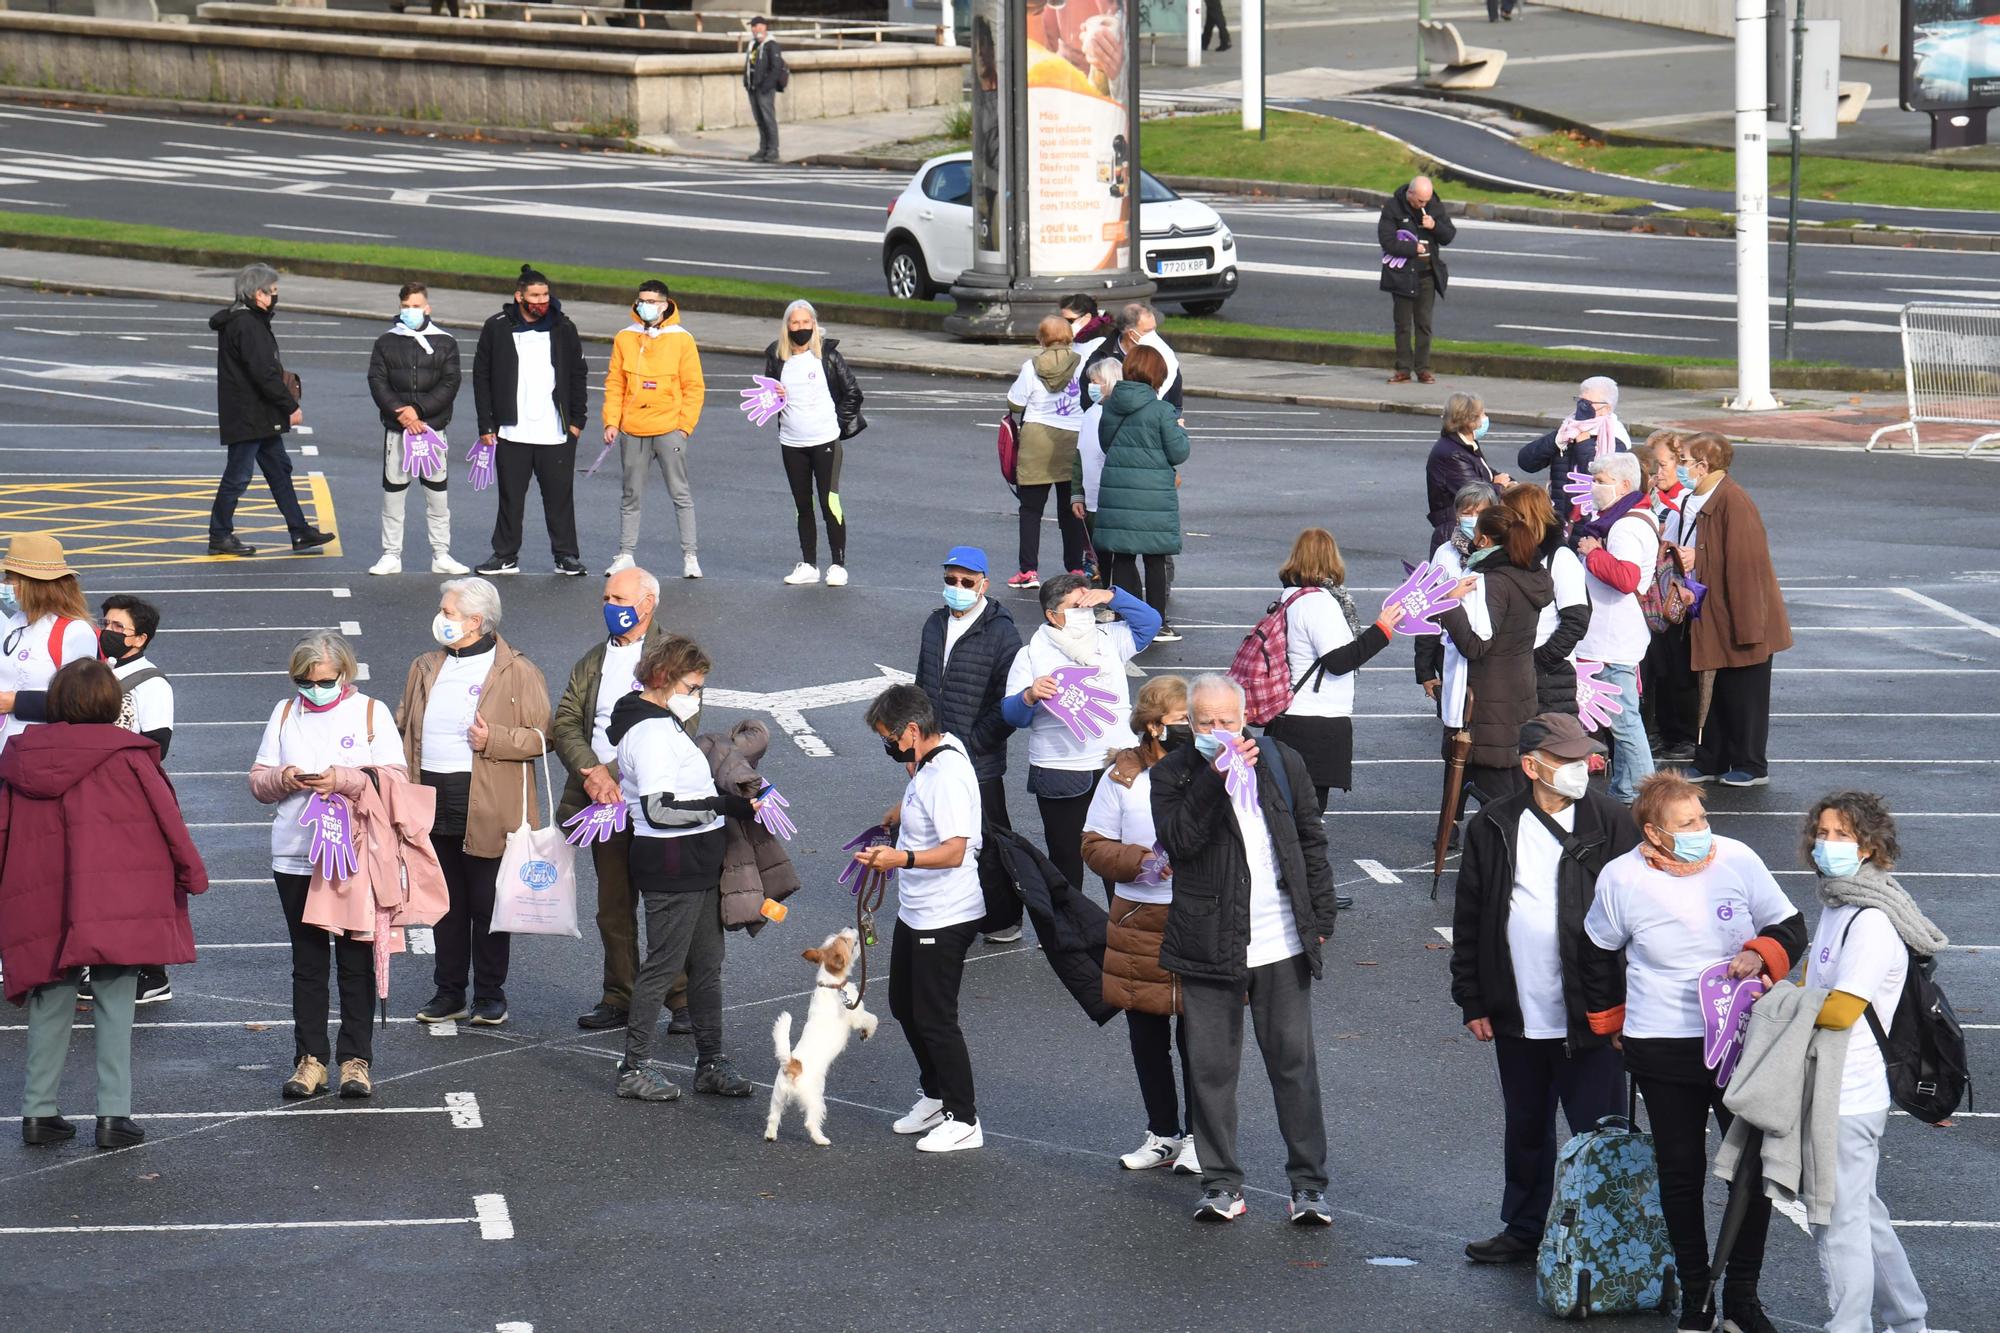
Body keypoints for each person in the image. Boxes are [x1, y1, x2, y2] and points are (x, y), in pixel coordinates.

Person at [1580, 772, 1807, 1333]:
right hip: (1663, 1043)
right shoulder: (1621, 878)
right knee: (1680, 1173)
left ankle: (1743, 1299)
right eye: (1687, 823)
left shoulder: (1737, 858)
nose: (1702, 829)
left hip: (1741, 1041)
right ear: (1654, 833)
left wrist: (1762, 953)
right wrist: (1610, 1019)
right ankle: (1697, 1297)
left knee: (1749, 1172)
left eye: (1702, 817)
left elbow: (1790, 925)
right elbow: (1596, 951)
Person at [1152, 675, 1339, 1225]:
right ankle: (1220, 1185)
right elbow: (1180, 843)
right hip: (1209, 942)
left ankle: (1308, 1186)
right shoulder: (1172, 773)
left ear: (1245, 718)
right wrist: (1213, 780)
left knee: (1294, 1065)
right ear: (1190, 723)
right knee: (1210, 1069)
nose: (1218, 731)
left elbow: (1310, 839)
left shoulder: (1281, 760)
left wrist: (1320, 916)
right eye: (1206, 722)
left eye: (1227, 721)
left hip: (1281, 940)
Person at [1449, 712, 1636, 1265]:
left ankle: (1611, 1242)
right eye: (1568, 759)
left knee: (1600, 1133)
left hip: (1593, 1013)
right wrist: (1473, 998)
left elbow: (1638, 916)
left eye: (1584, 756)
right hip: (1517, 1009)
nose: (1583, 766)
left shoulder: (1611, 820)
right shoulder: (1493, 824)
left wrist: (1630, 1004)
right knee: (1526, 1126)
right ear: (1532, 767)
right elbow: (1471, 916)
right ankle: (1525, 1227)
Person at [1, 660, 206, 1151]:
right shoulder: (130, 755)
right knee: (115, 1002)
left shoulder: (21, 757)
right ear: (111, 703)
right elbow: (169, 821)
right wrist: (191, 873)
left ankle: (38, 1111)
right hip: (121, 894)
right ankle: (114, 1115)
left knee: (49, 998)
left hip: (42, 895)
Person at [1798, 791, 1941, 1333]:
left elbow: (1840, 1010)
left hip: (1848, 1092)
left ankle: (1850, 1325)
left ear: (1869, 846)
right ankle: (1908, 1319)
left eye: (1843, 834)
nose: (1827, 843)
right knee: (1863, 1212)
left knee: (1836, 1219)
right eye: (1823, 833)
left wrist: (1778, 1008)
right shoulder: (1837, 904)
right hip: (1834, 1085)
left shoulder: (1872, 921)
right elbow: (1813, 984)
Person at [250, 631, 409, 1100]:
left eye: (324, 681)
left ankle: (356, 1060)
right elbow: (258, 781)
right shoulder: (284, 713)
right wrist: (284, 778)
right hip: (295, 856)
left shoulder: (371, 712)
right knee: (308, 962)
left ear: (344, 674)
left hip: (352, 858)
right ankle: (310, 1060)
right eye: (305, 681)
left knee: (356, 962)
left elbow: (395, 779)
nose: (314, 689)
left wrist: (343, 779)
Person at [607, 636, 757, 1103]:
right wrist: (723, 805)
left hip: (696, 861)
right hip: (672, 864)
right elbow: (658, 810)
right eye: (692, 687)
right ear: (662, 678)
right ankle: (634, 1068)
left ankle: (710, 1062)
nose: (697, 696)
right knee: (664, 966)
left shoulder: (663, 722)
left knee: (707, 967)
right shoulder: (651, 733)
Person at [398, 577, 551, 1029]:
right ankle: (449, 993)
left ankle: (489, 993)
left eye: (448, 612)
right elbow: (404, 725)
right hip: (430, 793)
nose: (440, 618)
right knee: (444, 901)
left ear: (475, 621)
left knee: (486, 901)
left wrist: (494, 740)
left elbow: (544, 737)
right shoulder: (425, 665)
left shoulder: (518, 671)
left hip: (487, 798)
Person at [552, 566, 691, 1033]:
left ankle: (682, 998)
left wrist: (608, 773)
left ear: (647, 604)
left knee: (665, 903)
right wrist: (592, 774)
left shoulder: (674, 656)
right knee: (613, 905)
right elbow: (565, 721)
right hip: (603, 804)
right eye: (606, 598)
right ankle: (620, 994)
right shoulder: (594, 659)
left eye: (619, 599)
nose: (609, 606)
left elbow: (680, 721)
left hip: (654, 799)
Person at [853, 685, 990, 1151]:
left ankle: (964, 1119)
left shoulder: (945, 775)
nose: (887, 746)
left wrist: (900, 858)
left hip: (945, 913)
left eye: (889, 738)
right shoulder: (934, 754)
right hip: (917, 910)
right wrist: (900, 810)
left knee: (935, 1017)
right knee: (904, 1005)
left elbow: (954, 851)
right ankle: (935, 1096)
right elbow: (921, 791)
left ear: (912, 730)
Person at [1083, 674, 1198, 1174]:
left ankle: (1200, 1136)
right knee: (1147, 1036)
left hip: (1198, 916)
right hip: (1137, 920)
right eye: (1182, 720)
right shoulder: (1121, 777)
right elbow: (1093, 845)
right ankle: (1163, 1133)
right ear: (1153, 726)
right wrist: (1141, 860)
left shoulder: (1214, 769)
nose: (1193, 729)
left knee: (1199, 1037)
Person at [1001, 573, 1162, 901]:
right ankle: (1072, 928)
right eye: (1076, 607)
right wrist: (1029, 696)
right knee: (1066, 863)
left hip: (1117, 766)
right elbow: (1012, 715)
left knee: (1121, 856)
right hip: (1060, 771)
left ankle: (1123, 924)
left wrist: (1112, 596)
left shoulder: (1110, 637)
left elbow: (1151, 622)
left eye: (1088, 605)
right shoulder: (1031, 654)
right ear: (1052, 615)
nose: (1085, 613)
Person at [913, 544, 1025, 944]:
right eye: (951, 580)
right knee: (937, 832)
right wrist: (916, 746)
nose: (957, 587)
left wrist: (975, 743)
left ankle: (1005, 918)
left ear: (983, 585)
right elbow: (922, 685)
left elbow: (1008, 700)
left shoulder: (1002, 633)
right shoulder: (935, 623)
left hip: (978, 759)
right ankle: (953, 912)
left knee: (989, 839)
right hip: (934, 753)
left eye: (966, 581)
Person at [1679, 434, 1791, 788]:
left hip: (1739, 616)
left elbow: (1746, 566)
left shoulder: (1733, 501)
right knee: (1713, 690)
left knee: (1745, 693)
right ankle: (1711, 758)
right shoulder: (1700, 497)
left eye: (1684, 460)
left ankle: (1750, 764)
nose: (1681, 467)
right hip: (1712, 612)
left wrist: (1750, 629)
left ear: (1703, 465)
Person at [1263, 527, 1397, 818]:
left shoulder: (1291, 595)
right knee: (1307, 814)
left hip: (1292, 716)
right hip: (1316, 721)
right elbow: (1338, 660)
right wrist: (1382, 630)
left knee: (1287, 811)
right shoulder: (1318, 602)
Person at [206, 264, 333, 559]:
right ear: (257, 293)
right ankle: (219, 534)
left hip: (258, 415)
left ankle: (299, 530)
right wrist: (290, 405)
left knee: (279, 471)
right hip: (249, 415)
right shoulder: (247, 324)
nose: (276, 296)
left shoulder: (247, 320)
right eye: (272, 291)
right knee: (238, 476)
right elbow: (263, 373)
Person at [473, 265, 589, 578]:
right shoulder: (497, 327)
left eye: (545, 295)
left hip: (555, 432)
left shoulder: (563, 327)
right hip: (512, 432)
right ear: (519, 296)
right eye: (535, 295)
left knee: (559, 497)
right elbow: (481, 378)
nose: (541, 301)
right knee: (510, 498)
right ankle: (505, 555)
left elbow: (578, 374)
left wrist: (577, 421)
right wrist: (486, 425)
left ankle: (566, 555)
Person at [1437, 504, 1554, 804]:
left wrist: (1448, 603)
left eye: (1476, 534)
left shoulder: (1493, 581)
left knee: (1495, 798)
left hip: (1487, 701)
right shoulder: (1531, 573)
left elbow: (1476, 645)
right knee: (1511, 787)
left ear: (1485, 540)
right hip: (1517, 691)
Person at [604, 278, 706, 580]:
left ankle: (690, 556)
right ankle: (625, 554)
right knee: (630, 494)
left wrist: (684, 427)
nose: (644, 306)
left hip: (668, 427)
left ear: (664, 304)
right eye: (641, 301)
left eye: (651, 301)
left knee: (680, 493)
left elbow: (694, 387)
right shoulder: (625, 337)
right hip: (633, 428)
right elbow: (615, 383)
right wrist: (612, 421)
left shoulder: (682, 339)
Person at [1571, 452, 1659, 803]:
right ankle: (1626, 789)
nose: (1594, 487)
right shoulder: (1630, 518)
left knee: (1624, 723)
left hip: (1612, 639)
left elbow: (1626, 579)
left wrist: (1594, 553)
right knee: (1622, 721)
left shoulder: (1624, 527)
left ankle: (1646, 794)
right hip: (1613, 636)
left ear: (1623, 485)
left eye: (1601, 481)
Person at [366, 281, 467, 577]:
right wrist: (404, 415)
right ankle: (391, 555)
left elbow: (450, 383)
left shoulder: (445, 342)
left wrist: (419, 411)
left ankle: (441, 554)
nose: (411, 311)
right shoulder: (386, 342)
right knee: (393, 495)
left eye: (416, 306)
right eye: (406, 307)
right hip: (398, 431)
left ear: (427, 308)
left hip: (431, 431)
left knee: (437, 496)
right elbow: (377, 382)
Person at [763, 300, 864, 587]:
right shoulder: (776, 356)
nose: (800, 328)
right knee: (802, 504)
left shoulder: (828, 356)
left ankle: (838, 565)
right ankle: (808, 564)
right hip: (791, 442)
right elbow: (769, 394)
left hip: (824, 441)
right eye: (795, 323)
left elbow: (853, 393)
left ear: (814, 325)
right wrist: (772, 399)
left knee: (829, 501)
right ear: (787, 326)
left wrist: (836, 423)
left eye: (806, 322)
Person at [1091, 345, 1189, 637]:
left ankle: (1127, 616)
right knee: (1154, 558)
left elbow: (1105, 444)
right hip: (1152, 493)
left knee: (1122, 557)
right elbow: (1179, 452)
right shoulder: (1161, 410)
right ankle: (1156, 622)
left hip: (1118, 491)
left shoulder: (1110, 406)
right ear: (1157, 374)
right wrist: (1180, 429)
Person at [1414, 481, 1496, 778]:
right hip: (1448, 655)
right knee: (1453, 742)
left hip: (1488, 656)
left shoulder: (1501, 554)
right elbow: (1427, 611)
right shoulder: (1445, 553)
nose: (1472, 518)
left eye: (1479, 512)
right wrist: (1425, 671)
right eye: (1466, 512)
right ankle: (1454, 801)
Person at [1006, 315, 1087, 590]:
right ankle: (1075, 566)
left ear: (1041, 339)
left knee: (1031, 510)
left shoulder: (1031, 366)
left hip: (1037, 441)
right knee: (1071, 508)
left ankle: (1028, 571)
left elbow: (1015, 404)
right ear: (1070, 337)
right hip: (1074, 440)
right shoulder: (1083, 364)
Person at [0, 534, 99, 759]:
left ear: (33, 585)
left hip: (43, 754)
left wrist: (15, 702)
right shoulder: (16, 620)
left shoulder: (74, 631)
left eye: (10, 579)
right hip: (7, 751)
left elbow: (83, 701)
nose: (4, 585)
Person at [1504, 484, 1590, 717]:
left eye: (1507, 515)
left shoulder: (1560, 559)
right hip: (1511, 671)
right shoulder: (1510, 556)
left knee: (1547, 738)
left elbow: (1576, 622)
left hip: (1549, 677)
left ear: (1525, 518)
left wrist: (1538, 661)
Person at [1516, 376, 1633, 519]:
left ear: (1606, 409)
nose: (1582, 407)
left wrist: (1583, 443)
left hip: (1591, 519)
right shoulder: (1568, 430)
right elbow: (1526, 462)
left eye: (1588, 403)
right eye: (1580, 401)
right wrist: (1556, 440)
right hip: (1558, 518)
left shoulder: (1615, 438)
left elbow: (1599, 474)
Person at [1379, 175, 1455, 385]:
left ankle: (1423, 369)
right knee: (1402, 324)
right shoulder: (1393, 207)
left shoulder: (1434, 206)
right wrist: (1413, 248)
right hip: (1402, 274)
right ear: (1410, 194)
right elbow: (1387, 241)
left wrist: (1434, 226)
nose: (1423, 205)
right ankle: (1403, 369)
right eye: (1420, 201)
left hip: (1426, 275)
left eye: (1426, 201)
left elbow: (1449, 235)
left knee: (1424, 324)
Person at [1426, 392, 1513, 548]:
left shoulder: (1464, 444)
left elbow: (1486, 472)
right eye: (1482, 414)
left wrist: (1511, 484)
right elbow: (1475, 494)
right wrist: (1500, 486)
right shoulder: (1453, 453)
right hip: (1457, 527)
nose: (1485, 418)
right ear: (1470, 421)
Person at [1070, 356, 1126, 585]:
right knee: (1100, 552)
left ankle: (1117, 592)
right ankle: (1105, 587)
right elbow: (1080, 455)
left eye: (1096, 382)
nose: (1091, 387)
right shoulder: (1090, 413)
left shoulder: (1121, 415)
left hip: (1114, 497)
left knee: (1118, 555)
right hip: (1091, 497)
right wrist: (1077, 493)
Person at [743, 16, 788, 164]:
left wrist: (766, 86)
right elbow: (749, 65)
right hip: (753, 87)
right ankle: (763, 149)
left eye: (756, 26)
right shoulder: (753, 45)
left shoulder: (771, 45)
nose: (754, 29)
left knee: (768, 119)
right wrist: (747, 83)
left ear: (764, 27)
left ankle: (773, 150)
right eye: (752, 26)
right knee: (760, 120)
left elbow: (776, 67)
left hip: (764, 89)